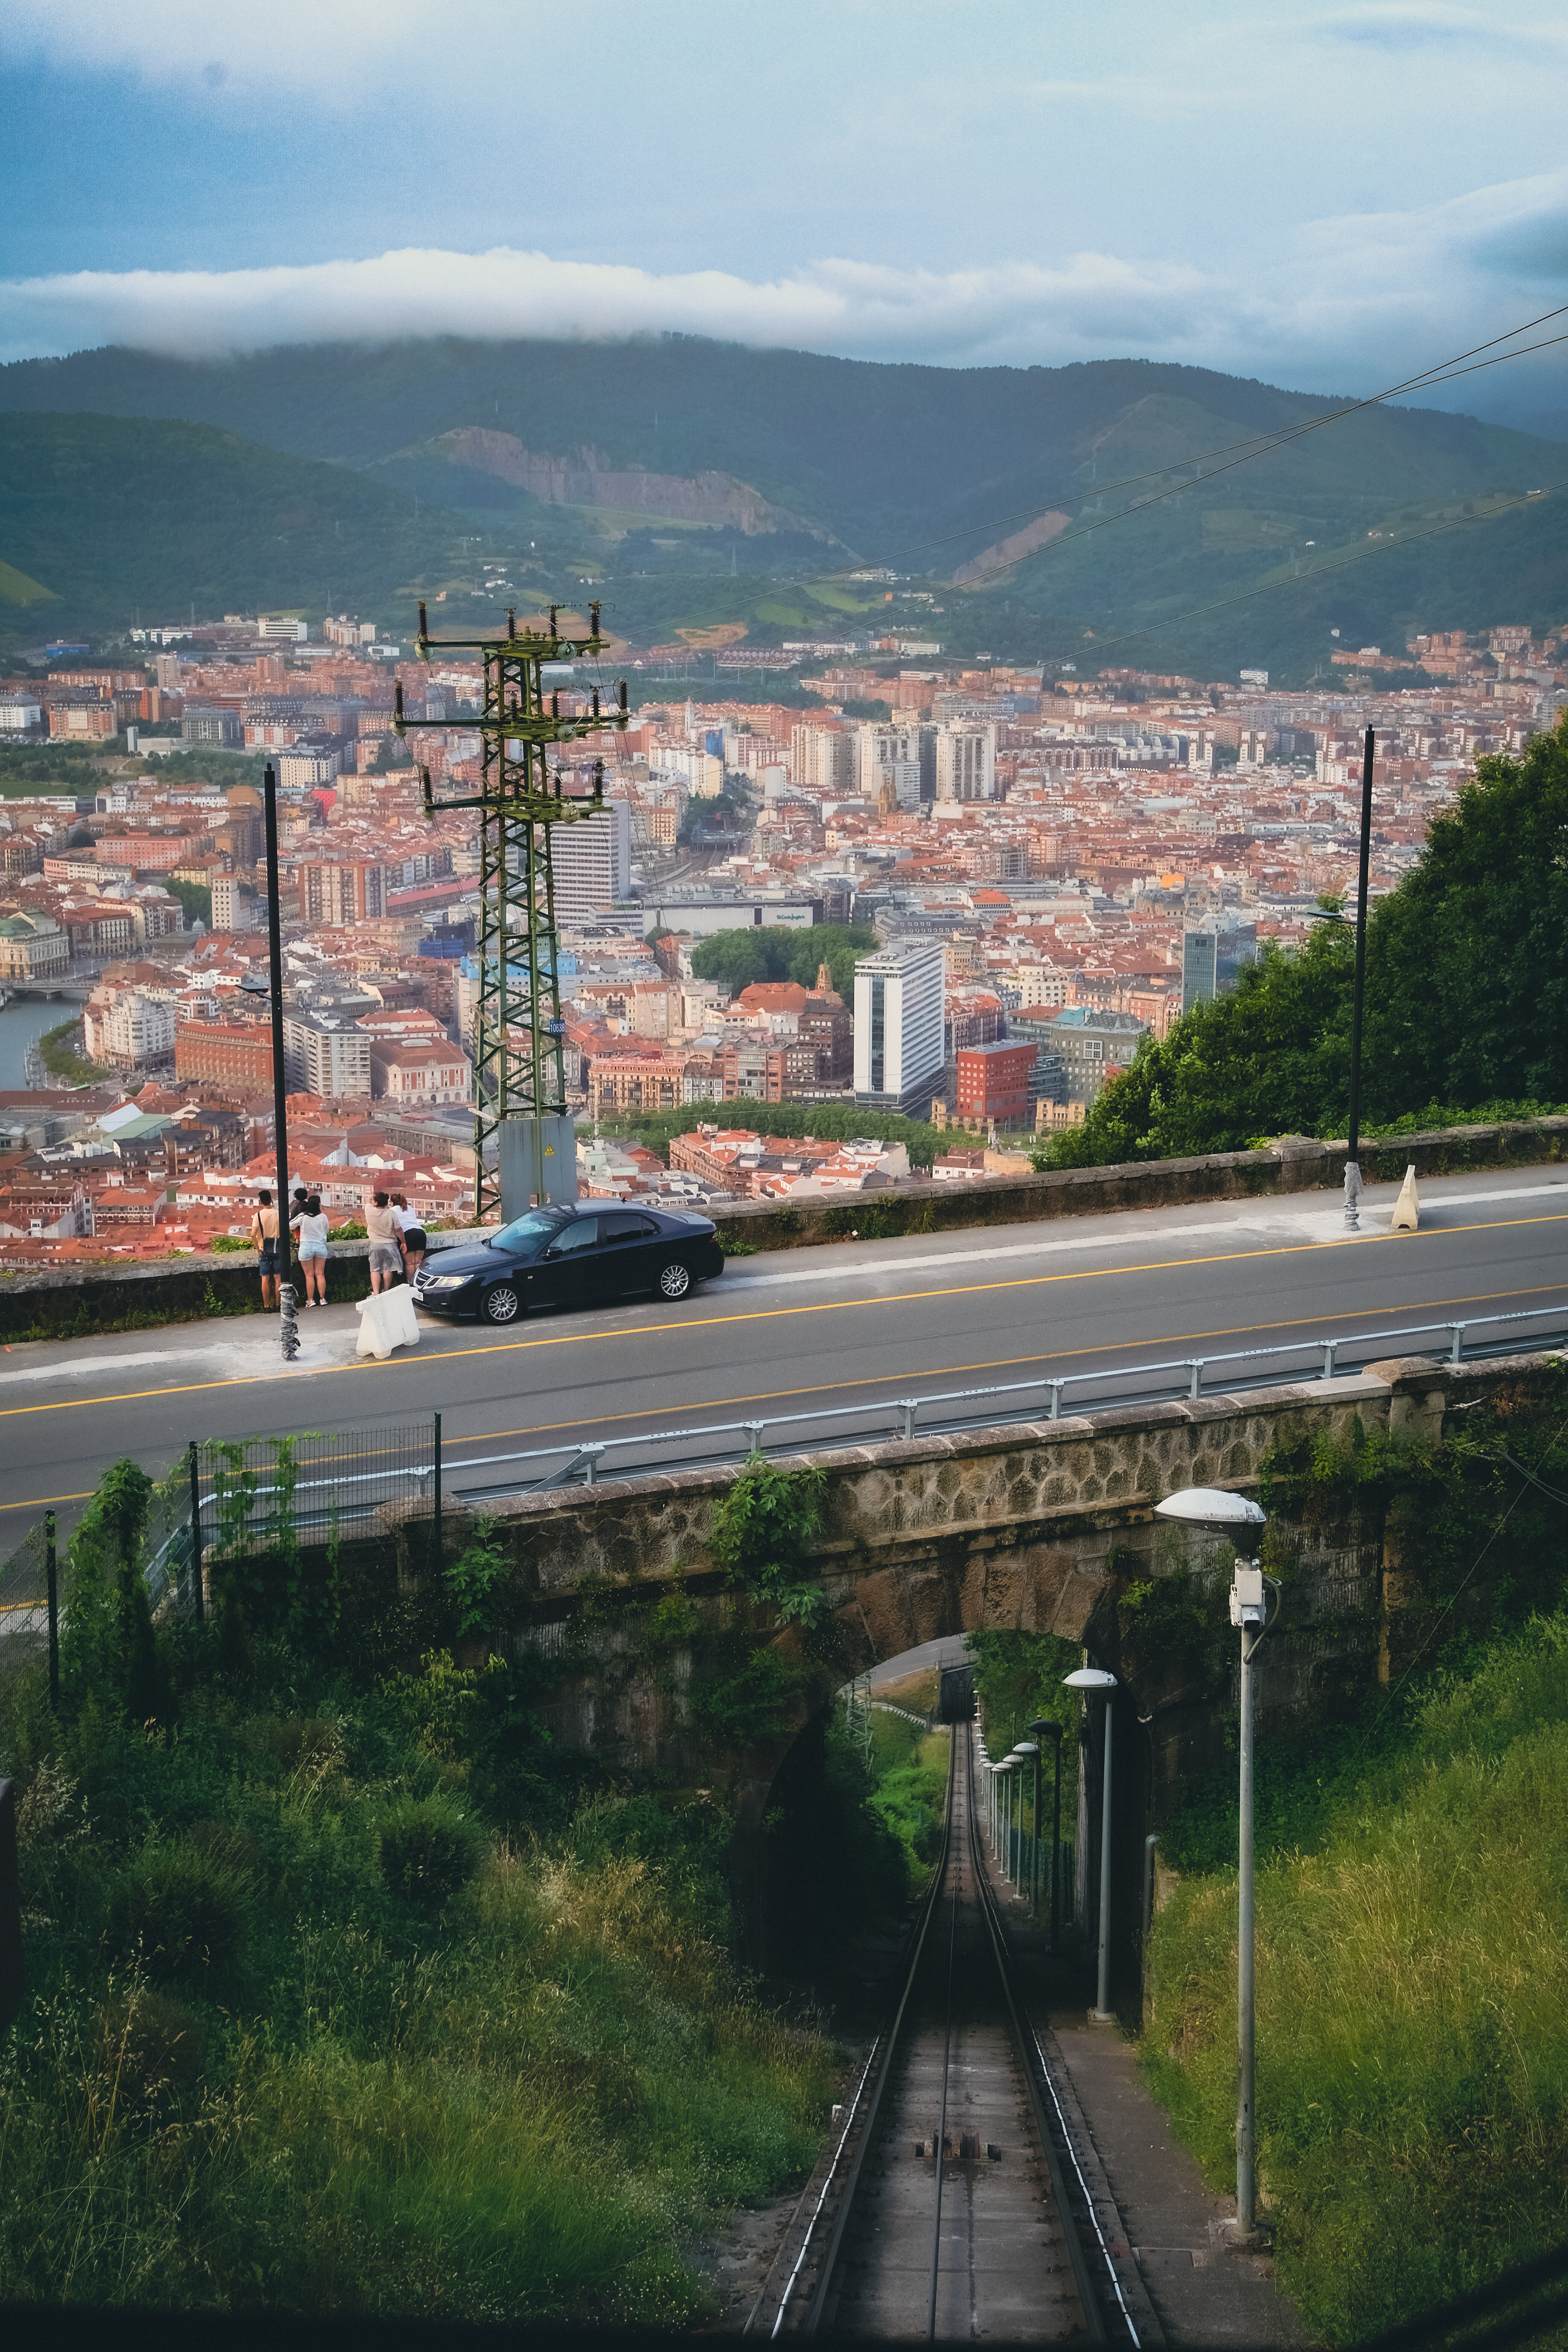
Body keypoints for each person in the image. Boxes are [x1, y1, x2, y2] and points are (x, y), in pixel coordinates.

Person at [295, 1192, 331, 1305]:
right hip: (320, 1247)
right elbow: (327, 1231)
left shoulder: (303, 1217)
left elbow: (290, 1225)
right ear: (319, 1205)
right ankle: (323, 1299)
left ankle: (310, 1300)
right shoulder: (323, 1217)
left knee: (309, 1275)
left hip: (306, 1247)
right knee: (320, 1274)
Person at [365, 1189, 404, 1295]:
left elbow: (368, 1201)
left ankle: (376, 1293)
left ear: (376, 1203)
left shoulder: (369, 1211)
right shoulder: (391, 1213)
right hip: (390, 1244)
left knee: (375, 1269)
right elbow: (398, 1230)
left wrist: (371, 1198)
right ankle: (386, 1290)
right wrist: (404, 1242)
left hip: (375, 1244)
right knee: (388, 1268)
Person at [250, 1189, 281, 1310]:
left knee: (265, 1278)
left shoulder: (258, 1216)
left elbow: (253, 1234)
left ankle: (266, 1306)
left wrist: (258, 1249)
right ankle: (278, 1305)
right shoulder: (279, 1214)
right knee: (278, 1278)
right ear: (271, 1201)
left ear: (261, 1202)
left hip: (264, 1250)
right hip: (277, 1249)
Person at [391, 1192, 427, 1288]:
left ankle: (411, 1283)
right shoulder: (410, 1208)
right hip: (420, 1233)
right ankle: (420, 1283)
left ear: (392, 1202)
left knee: (410, 1263)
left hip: (407, 1234)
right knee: (418, 1262)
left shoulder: (392, 1210)